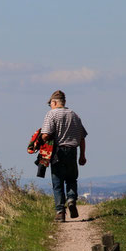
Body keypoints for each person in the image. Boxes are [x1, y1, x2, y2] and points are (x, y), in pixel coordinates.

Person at [41, 90, 88, 222]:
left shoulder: (51, 114)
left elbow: (45, 135)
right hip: (73, 151)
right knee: (72, 178)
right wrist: (82, 156)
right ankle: (72, 199)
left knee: (57, 182)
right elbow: (82, 138)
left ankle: (60, 212)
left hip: (57, 151)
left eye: (50, 103)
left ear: (54, 102)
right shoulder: (74, 115)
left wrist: (38, 140)